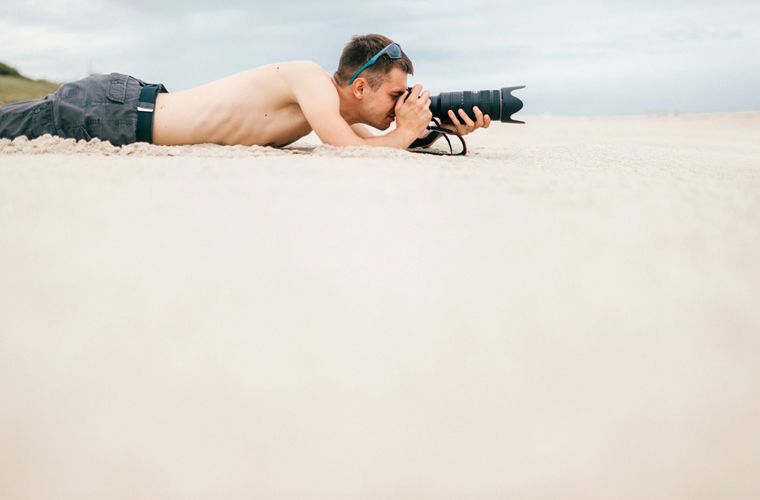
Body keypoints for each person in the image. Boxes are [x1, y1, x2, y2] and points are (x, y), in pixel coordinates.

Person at [0, 34, 489, 149]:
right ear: (359, 86)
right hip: (116, 112)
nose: (401, 105)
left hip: (126, 110)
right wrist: (401, 134)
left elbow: (371, 145)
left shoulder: (330, 112)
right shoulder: (309, 80)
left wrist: (431, 128)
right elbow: (352, 151)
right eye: (396, 96)